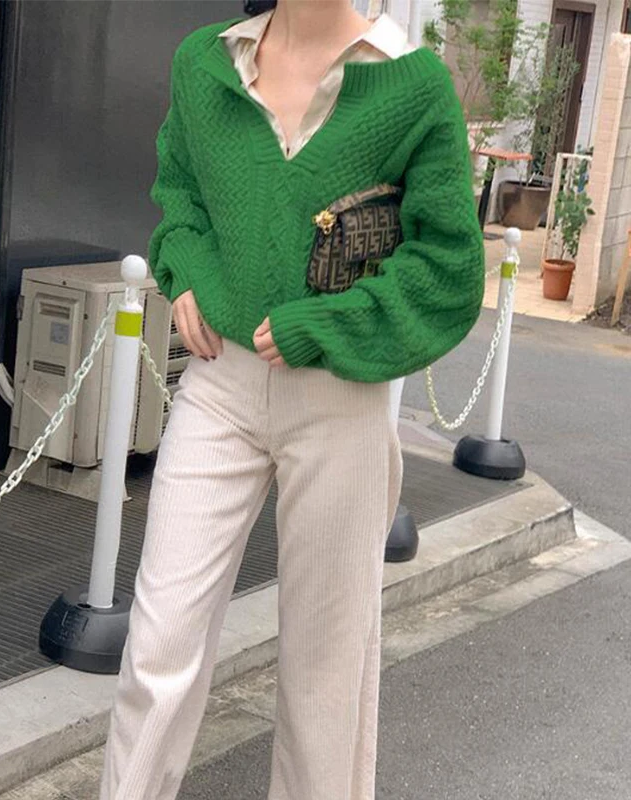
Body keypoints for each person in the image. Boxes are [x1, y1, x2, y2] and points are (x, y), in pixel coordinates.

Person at [99, 1, 485, 798]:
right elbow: (182, 197)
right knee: (159, 644)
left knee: (325, 673)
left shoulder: (412, 86)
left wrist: (329, 324)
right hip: (220, 386)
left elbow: (447, 270)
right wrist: (187, 273)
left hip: (342, 398)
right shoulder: (204, 63)